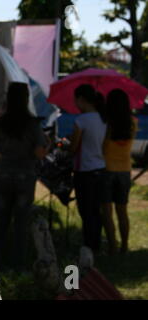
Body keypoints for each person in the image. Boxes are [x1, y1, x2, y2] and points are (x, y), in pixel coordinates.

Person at [0, 82, 49, 270]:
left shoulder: (0, 123)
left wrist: (1, 164)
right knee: (21, 223)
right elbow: (39, 153)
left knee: (1, 221)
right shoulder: (32, 124)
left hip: (4, 175)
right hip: (25, 176)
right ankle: (18, 264)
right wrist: (49, 146)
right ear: (26, 99)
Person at [69, 84, 107, 253]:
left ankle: (88, 245)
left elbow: (74, 148)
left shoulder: (81, 120)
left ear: (81, 100)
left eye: (75, 100)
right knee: (96, 210)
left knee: (85, 210)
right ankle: (96, 244)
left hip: (84, 171)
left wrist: (67, 144)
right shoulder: (103, 118)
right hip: (101, 168)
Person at [101, 89, 138, 255]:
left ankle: (112, 247)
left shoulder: (107, 123)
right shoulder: (132, 122)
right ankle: (124, 246)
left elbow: (103, 147)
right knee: (122, 211)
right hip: (125, 171)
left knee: (107, 212)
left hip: (107, 169)